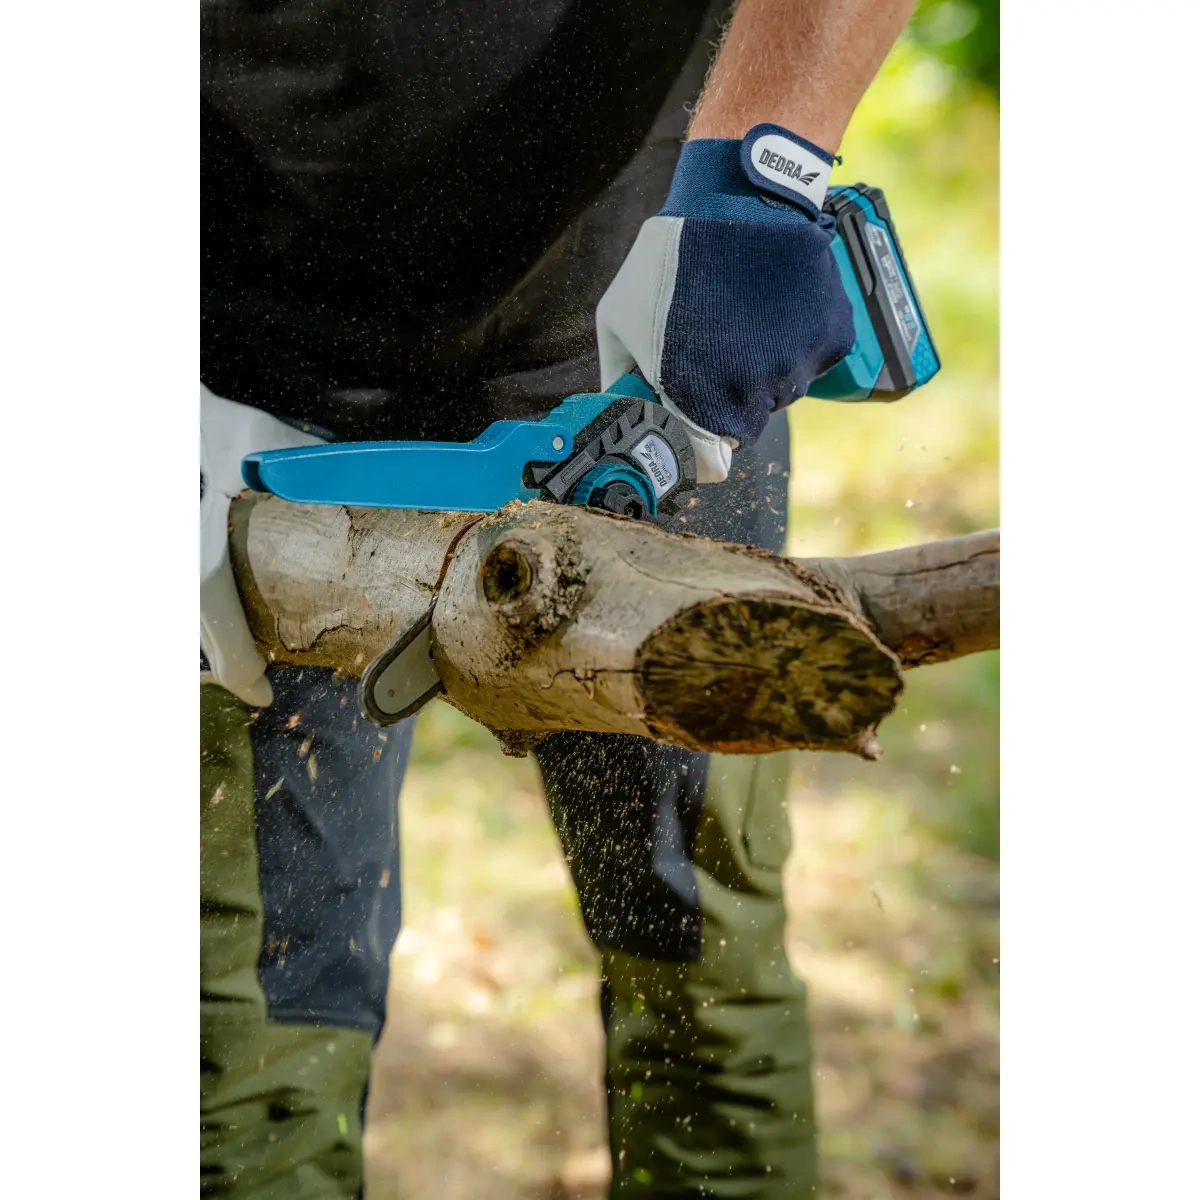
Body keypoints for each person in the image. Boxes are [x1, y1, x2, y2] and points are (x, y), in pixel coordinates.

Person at [200, 1, 916, 1195]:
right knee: (251, 1034)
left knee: (704, 970)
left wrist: (764, 177)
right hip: (238, 388)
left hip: (669, 366)